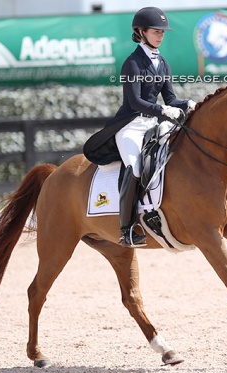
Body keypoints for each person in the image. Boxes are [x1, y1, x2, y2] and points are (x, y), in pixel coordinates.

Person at [83, 7, 196, 247]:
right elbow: (134, 102)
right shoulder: (132, 63)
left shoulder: (162, 63)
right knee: (135, 168)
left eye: (162, 32)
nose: (160, 36)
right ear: (141, 32)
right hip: (131, 126)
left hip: (153, 124)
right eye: (156, 32)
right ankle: (127, 229)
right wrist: (162, 111)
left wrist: (189, 104)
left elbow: (171, 99)